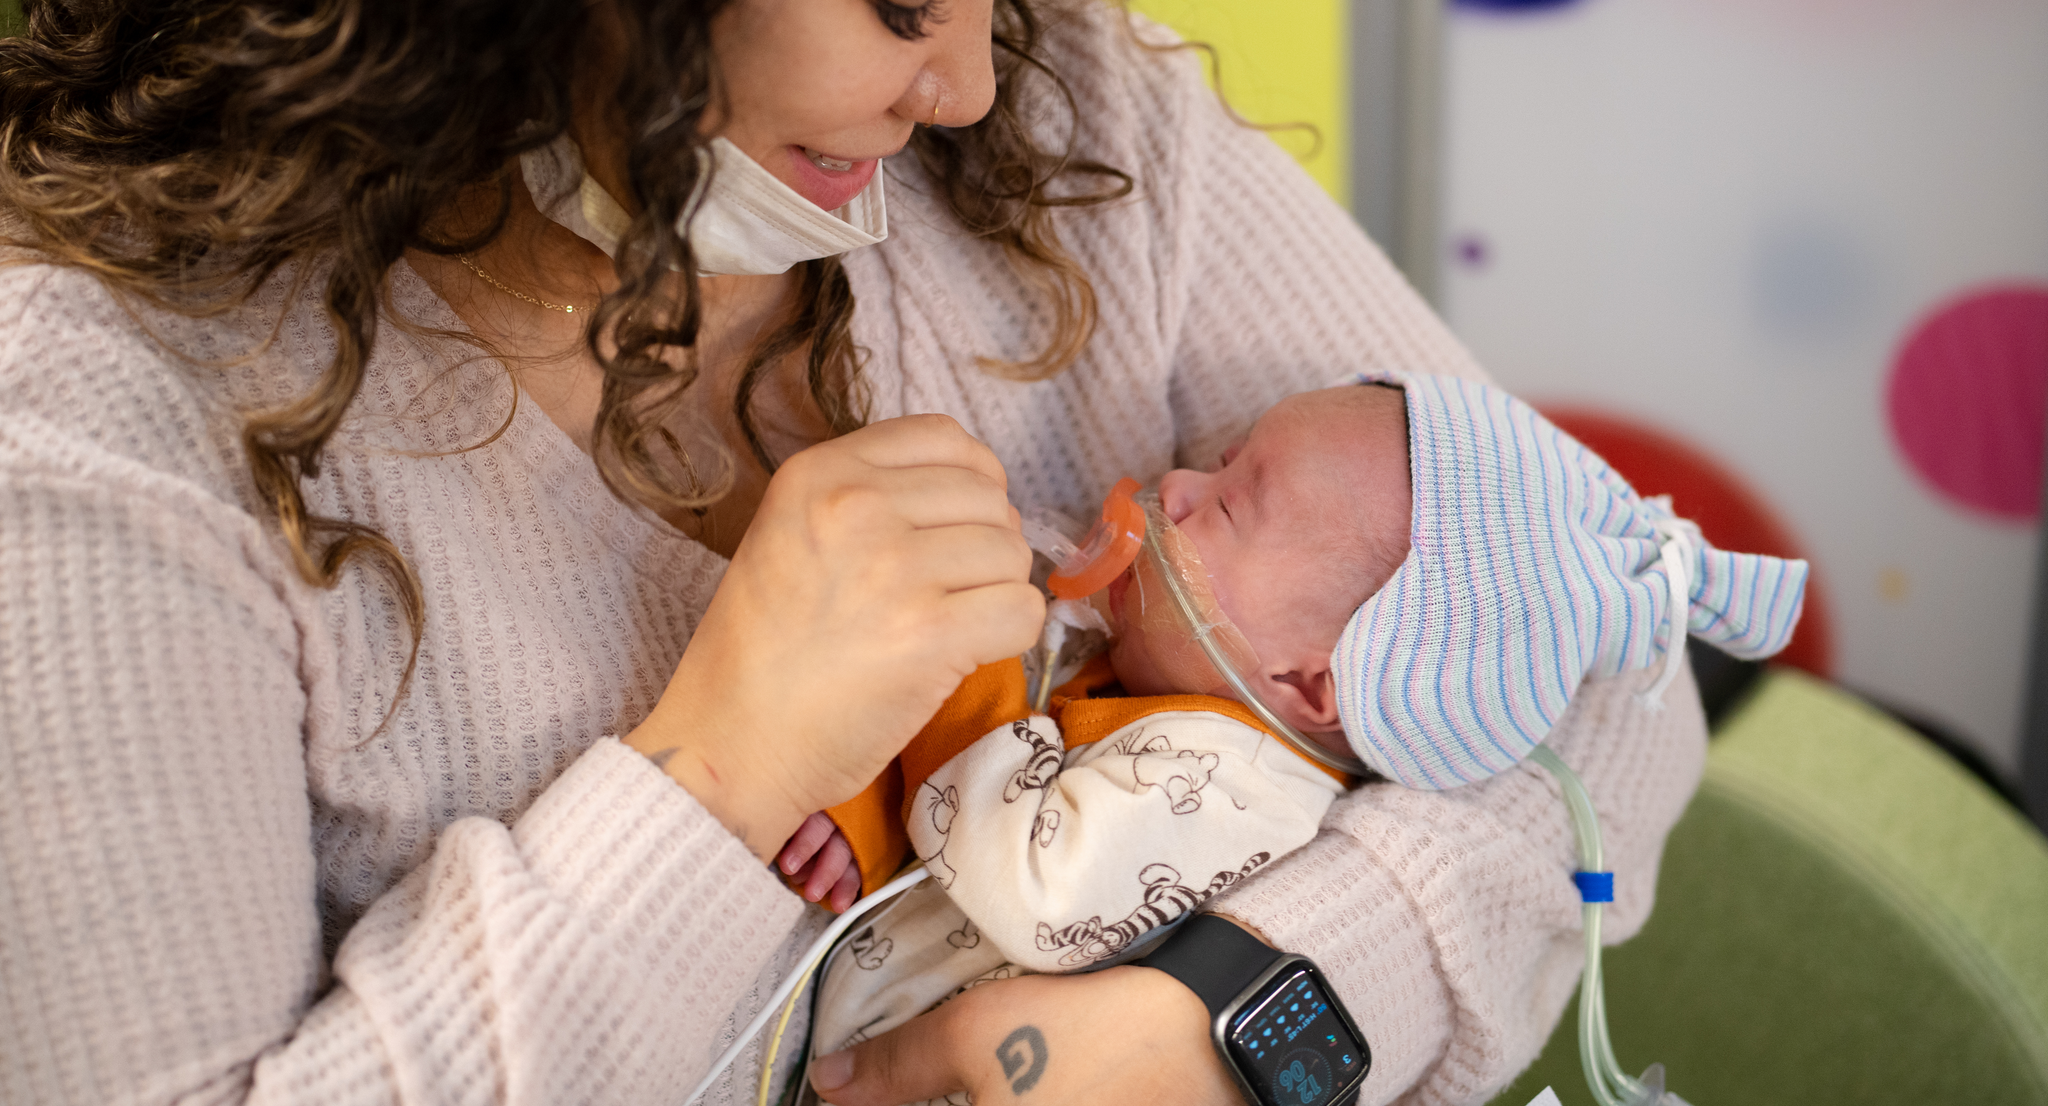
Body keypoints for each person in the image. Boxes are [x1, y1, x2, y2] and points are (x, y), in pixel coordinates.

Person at [0, 2, 1709, 1105]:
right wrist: (711, 774)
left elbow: (1615, 651)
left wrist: (1234, 1021)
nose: (963, 78)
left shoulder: (1065, 122)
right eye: (895, 1)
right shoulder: (102, 415)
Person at [783, 374, 1805, 1082]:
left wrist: (967, 654)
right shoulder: (1143, 676)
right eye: (1215, 465)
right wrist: (867, 813)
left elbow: (1030, 880)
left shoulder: (1230, 787)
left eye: (1227, 505)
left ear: (1313, 680)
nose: (1173, 486)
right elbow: (968, 808)